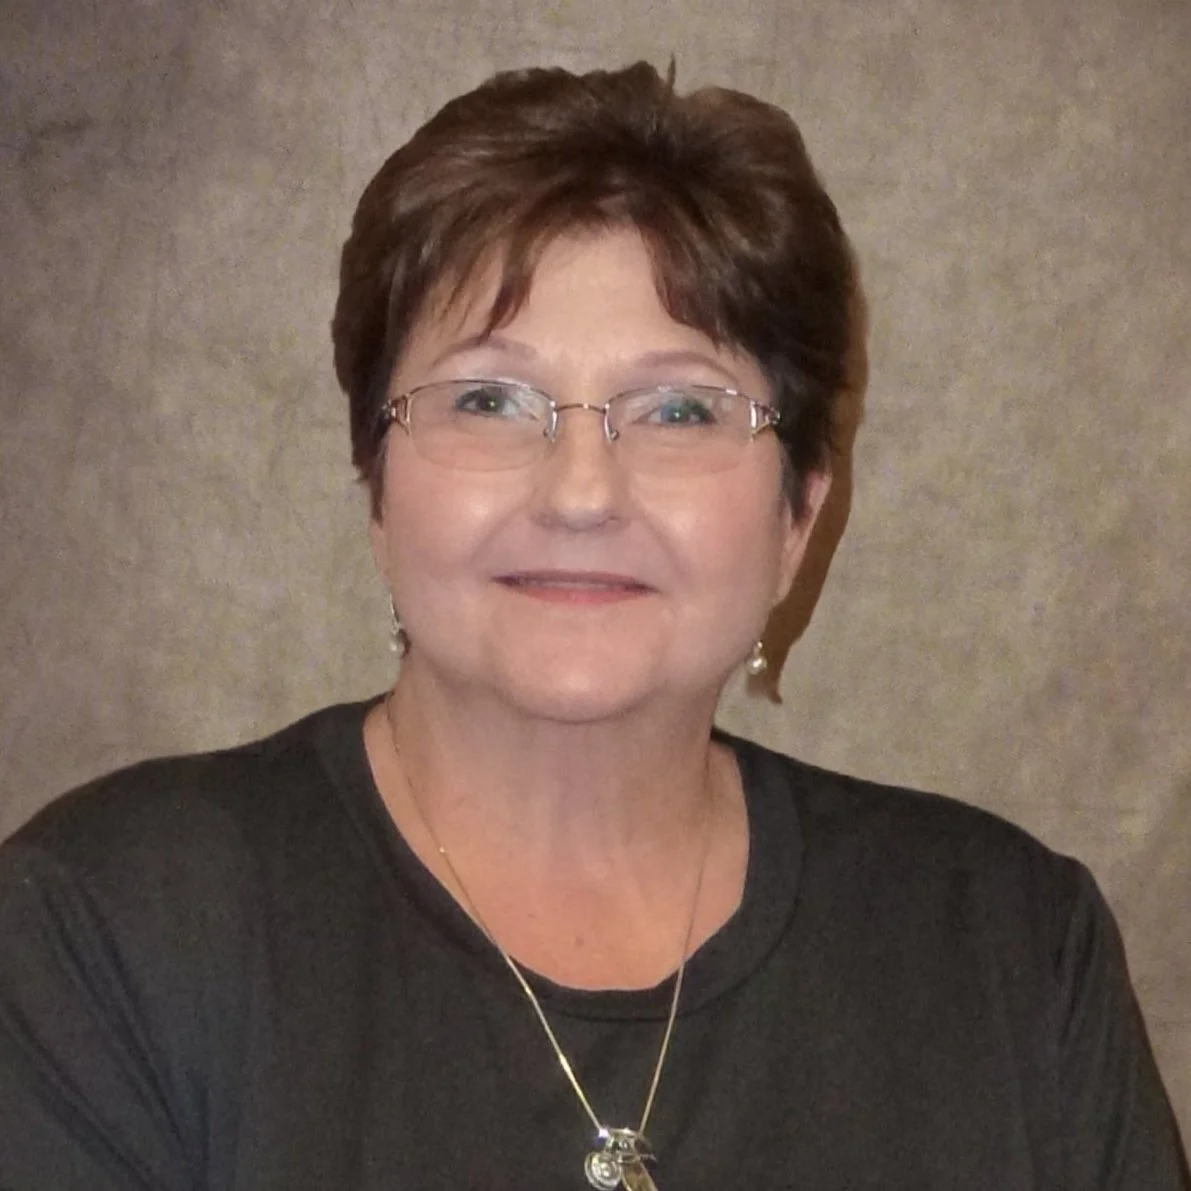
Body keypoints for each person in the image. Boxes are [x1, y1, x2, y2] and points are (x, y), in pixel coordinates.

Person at [0, 61, 1185, 1191]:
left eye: (677, 409)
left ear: (799, 514)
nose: (579, 492)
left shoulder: (1014, 952)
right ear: (376, 483)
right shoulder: (102, 938)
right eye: (487, 400)